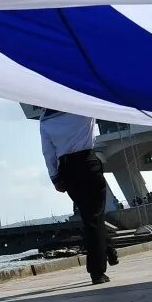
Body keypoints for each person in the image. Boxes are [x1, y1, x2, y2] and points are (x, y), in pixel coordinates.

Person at [24, 105, 118, 285]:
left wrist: (55, 177)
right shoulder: (81, 105)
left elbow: (48, 152)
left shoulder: (45, 119)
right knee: (95, 216)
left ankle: (108, 250)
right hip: (88, 163)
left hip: (67, 169)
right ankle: (97, 271)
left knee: (89, 216)